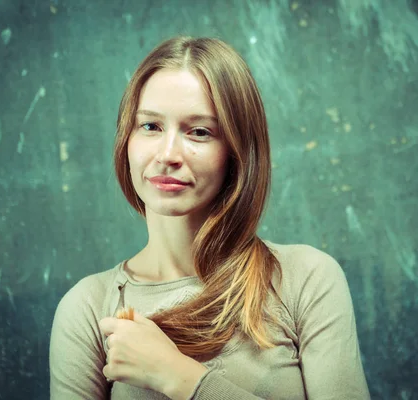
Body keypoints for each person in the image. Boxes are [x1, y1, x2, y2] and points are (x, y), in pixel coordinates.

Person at [49, 36, 370, 400]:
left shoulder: (306, 279)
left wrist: (181, 378)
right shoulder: (89, 308)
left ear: (237, 151)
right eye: (150, 126)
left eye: (199, 131)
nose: (167, 154)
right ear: (126, 139)